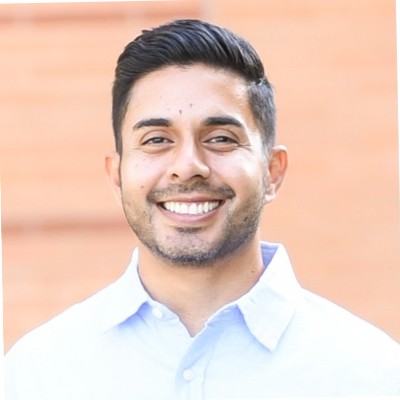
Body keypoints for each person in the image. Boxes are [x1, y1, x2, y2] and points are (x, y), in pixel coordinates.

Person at [5, 19, 400, 400]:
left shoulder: (372, 375)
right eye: (157, 139)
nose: (188, 166)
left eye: (221, 138)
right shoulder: (36, 375)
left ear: (272, 172)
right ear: (116, 175)